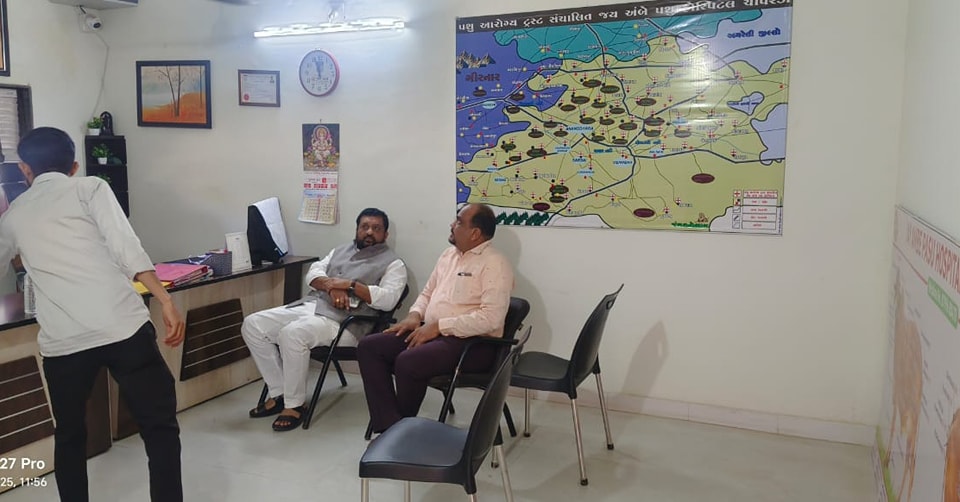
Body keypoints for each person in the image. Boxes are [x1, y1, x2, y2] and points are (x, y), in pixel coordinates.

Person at [0, 127, 186, 502]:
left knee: (69, 436)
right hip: (123, 328)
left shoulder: (13, 216)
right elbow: (125, 246)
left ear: (24, 168)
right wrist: (164, 300)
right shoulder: (90, 188)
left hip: (64, 343)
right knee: (160, 427)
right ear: (74, 165)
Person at [242, 208, 407, 431]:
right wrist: (331, 287)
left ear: (385, 234)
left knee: (293, 333)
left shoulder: (394, 264)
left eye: (376, 228)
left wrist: (350, 286)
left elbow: (388, 300)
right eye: (364, 227)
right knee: (253, 324)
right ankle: (279, 392)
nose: (369, 232)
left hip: (348, 323)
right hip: (314, 305)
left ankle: (294, 405)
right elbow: (314, 273)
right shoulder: (339, 250)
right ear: (357, 230)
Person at [357, 203, 514, 433]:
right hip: (433, 332)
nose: (452, 225)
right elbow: (427, 293)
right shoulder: (448, 255)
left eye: (459, 222)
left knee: (409, 361)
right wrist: (414, 315)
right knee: (370, 347)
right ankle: (391, 426)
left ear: (475, 233)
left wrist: (440, 326)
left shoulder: (495, 264)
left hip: (473, 344)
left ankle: (399, 431)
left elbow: (491, 319)